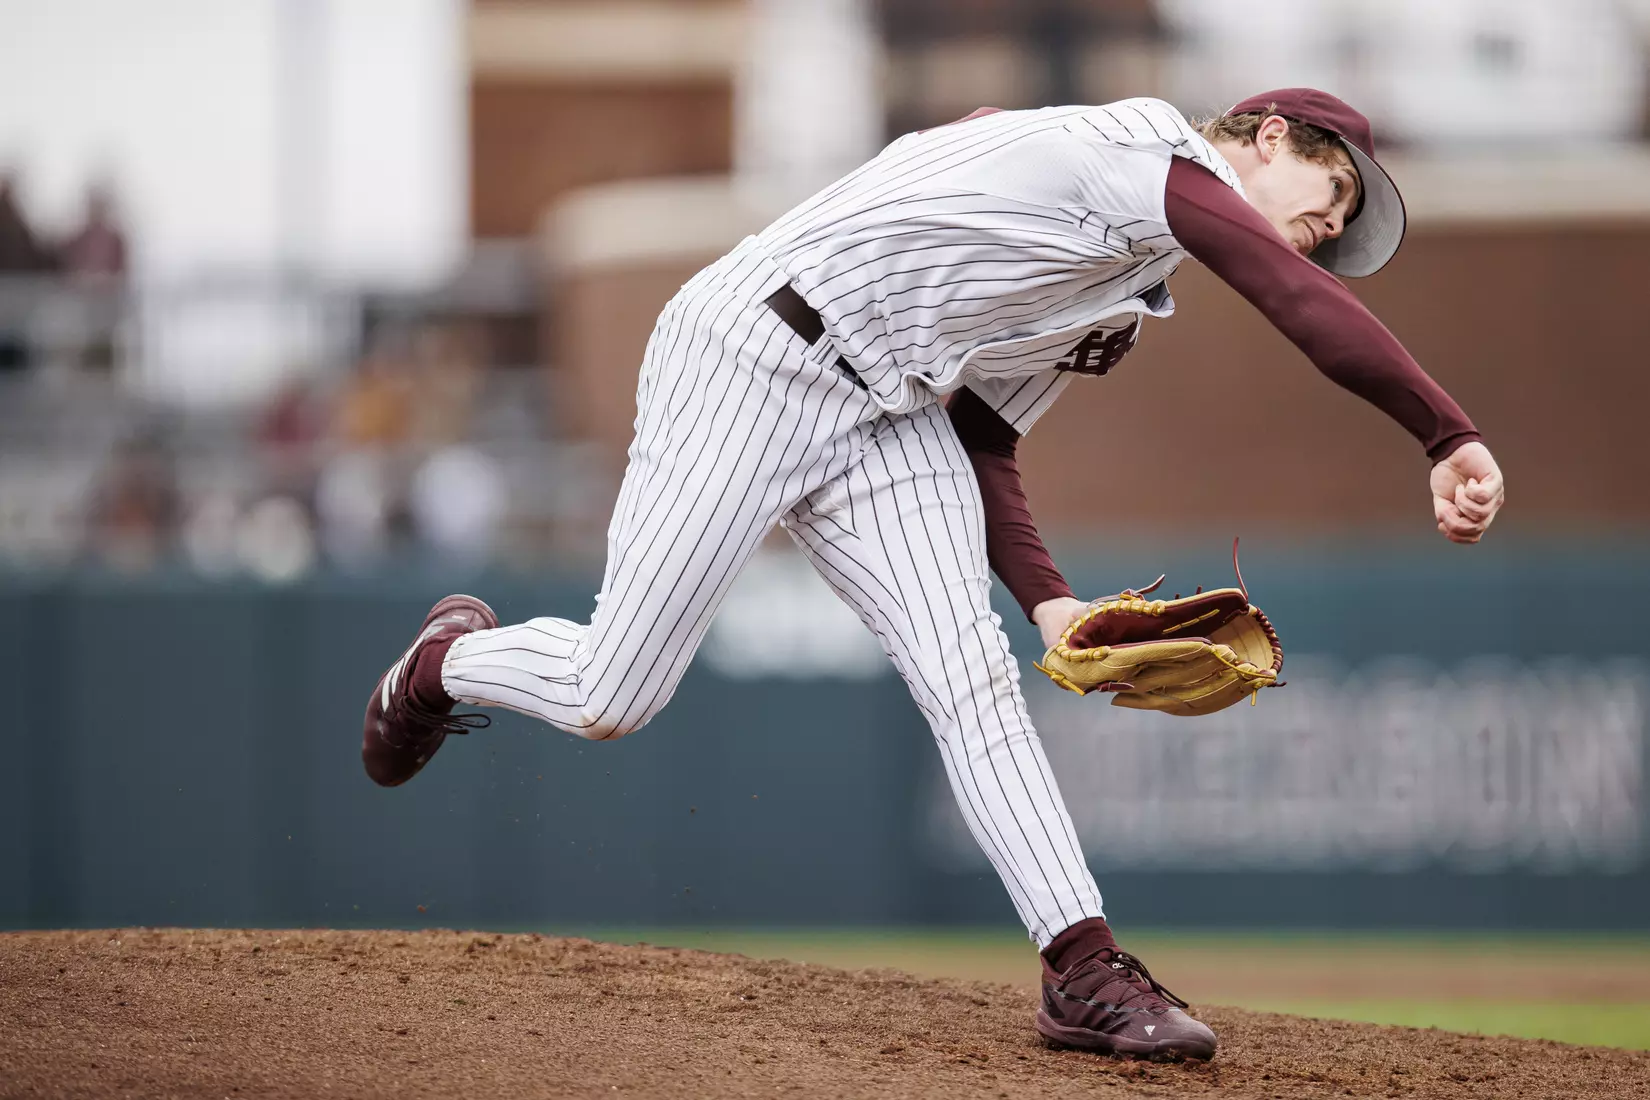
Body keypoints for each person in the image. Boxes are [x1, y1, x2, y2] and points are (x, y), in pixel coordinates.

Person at [361, 88, 1504, 1061]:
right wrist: (1445, 431)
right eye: (1332, 182)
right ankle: (445, 664)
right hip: (754, 349)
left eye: (1347, 213)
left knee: (975, 678)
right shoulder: (1142, 153)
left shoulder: (1122, 290)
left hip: (889, 412)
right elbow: (1291, 297)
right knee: (614, 694)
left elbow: (984, 437)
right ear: (1261, 132)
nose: (1332, 219)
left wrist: (1050, 598)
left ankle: (1083, 967)